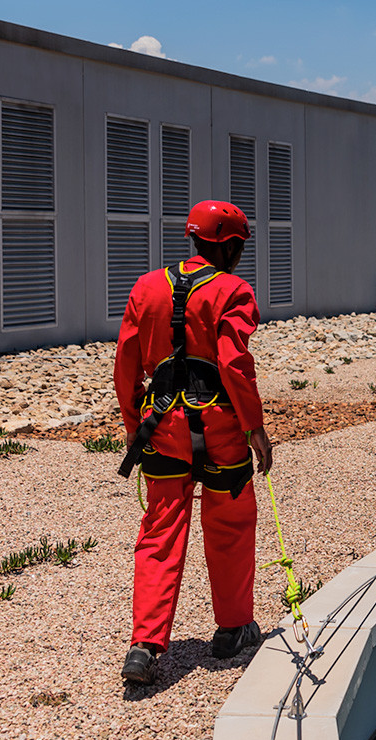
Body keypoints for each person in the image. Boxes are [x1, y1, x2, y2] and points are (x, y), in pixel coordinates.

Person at [116, 200, 274, 683]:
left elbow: (126, 363)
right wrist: (255, 427)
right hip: (221, 428)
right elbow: (232, 363)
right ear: (227, 245)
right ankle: (231, 630)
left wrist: (132, 427)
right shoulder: (233, 291)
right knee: (229, 525)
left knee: (161, 529)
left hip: (162, 427)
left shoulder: (146, 287)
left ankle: (144, 647)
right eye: (239, 248)